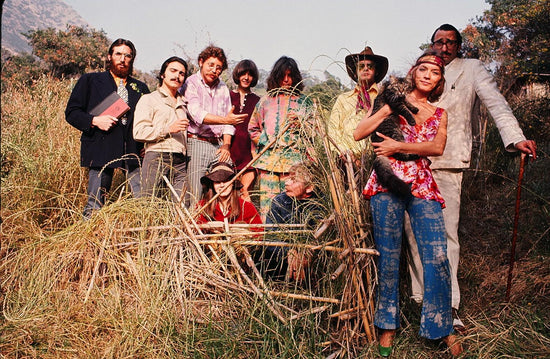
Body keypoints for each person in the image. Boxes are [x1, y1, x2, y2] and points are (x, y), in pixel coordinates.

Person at [404, 24, 538, 332]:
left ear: (459, 46)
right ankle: (423, 302)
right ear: (431, 43)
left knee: (447, 237)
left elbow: (496, 104)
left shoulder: (471, 69)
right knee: (413, 236)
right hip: (411, 162)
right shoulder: (421, 70)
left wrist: (515, 138)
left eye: (451, 42)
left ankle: (449, 307)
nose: (445, 46)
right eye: (439, 41)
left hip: (449, 162)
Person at [353, 52, 463, 356]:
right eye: (423, 69)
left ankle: (441, 326)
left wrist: (399, 145)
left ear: (440, 81)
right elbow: (359, 133)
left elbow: (436, 147)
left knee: (437, 255)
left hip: (421, 181)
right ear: (414, 72)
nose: (428, 75)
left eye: (435, 73)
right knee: (388, 254)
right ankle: (387, 325)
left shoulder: (439, 113)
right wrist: (388, 107)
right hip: (387, 181)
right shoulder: (394, 102)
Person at [65, 38, 150, 219]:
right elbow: (72, 112)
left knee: (142, 201)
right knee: (95, 204)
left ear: (132, 59)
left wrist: (146, 145)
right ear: (109, 56)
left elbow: (148, 119)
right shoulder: (90, 80)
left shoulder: (141, 88)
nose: (122, 59)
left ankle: (139, 239)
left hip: (133, 151)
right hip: (101, 147)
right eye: (118, 54)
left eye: (128, 55)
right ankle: (88, 243)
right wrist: (95, 121)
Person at [248, 56, 314, 220]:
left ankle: (290, 243)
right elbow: (253, 128)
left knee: (290, 206)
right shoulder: (265, 102)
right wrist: (265, 143)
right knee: (268, 207)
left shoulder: (304, 102)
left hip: (293, 165)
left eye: (290, 76)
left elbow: (315, 132)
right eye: (282, 75)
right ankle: (269, 243)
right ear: (275, 77)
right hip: (268, 163)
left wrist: (302, 126)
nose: (286, 80)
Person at [180, 45, 247, 206]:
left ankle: (223, 223)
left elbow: (228, 119)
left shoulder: (223, 87)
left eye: (218, 68)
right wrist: (226, 121)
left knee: (228, 182)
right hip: (196, 142)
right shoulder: (191, 83)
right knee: (195, 191)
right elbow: (197, 114)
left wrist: (226, 145)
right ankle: (193, 226)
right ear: (201, 62)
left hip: (218, 144)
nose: (214, 70)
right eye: (211, 65)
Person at [133, 56, 189, 201]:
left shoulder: (184, 103)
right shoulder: (149, 99)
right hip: (157, 156)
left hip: (180, 160)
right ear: (163, 74)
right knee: (149, 204)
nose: (177, 76)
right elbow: (139, 131)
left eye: (181, 73)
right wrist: (169, 129)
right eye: (173, 71)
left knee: (182, 205)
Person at [260, 162, 322, 282]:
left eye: (293, 180)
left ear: (309, 188)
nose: (286, 183)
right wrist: (288, 252)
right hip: (284, 258)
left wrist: (305, 254)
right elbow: (270, 236)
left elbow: (322, 239)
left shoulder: (321, 204)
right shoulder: (279, 201)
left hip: (312, 258)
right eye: (288, 178)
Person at [328, 46, 388, 159]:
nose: (365, 69)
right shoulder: (343, 99)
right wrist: (344, 153)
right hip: (346, 159)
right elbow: (333, 130)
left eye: (370, 66)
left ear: (376, 71)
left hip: (377, 158)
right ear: (355, 73)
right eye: (361, 66)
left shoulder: (383, 97)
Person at [229, 59, 261, 202]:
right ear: (237, 75)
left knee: (245, 193)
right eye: (243, 74)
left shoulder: (258, 100)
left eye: (250, 75)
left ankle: (248, 224)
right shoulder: (228, 96)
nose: (246, 78)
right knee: (228, 194)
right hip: (229, 152)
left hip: (249, 154)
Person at [196, 162, 262, 228]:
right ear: (212, 185)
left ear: (233, 183)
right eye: (217, 182)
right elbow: (194, 229)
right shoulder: (202, 207)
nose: (222, 185)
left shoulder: (246, 207)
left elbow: (258, 232)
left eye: (226, 181)